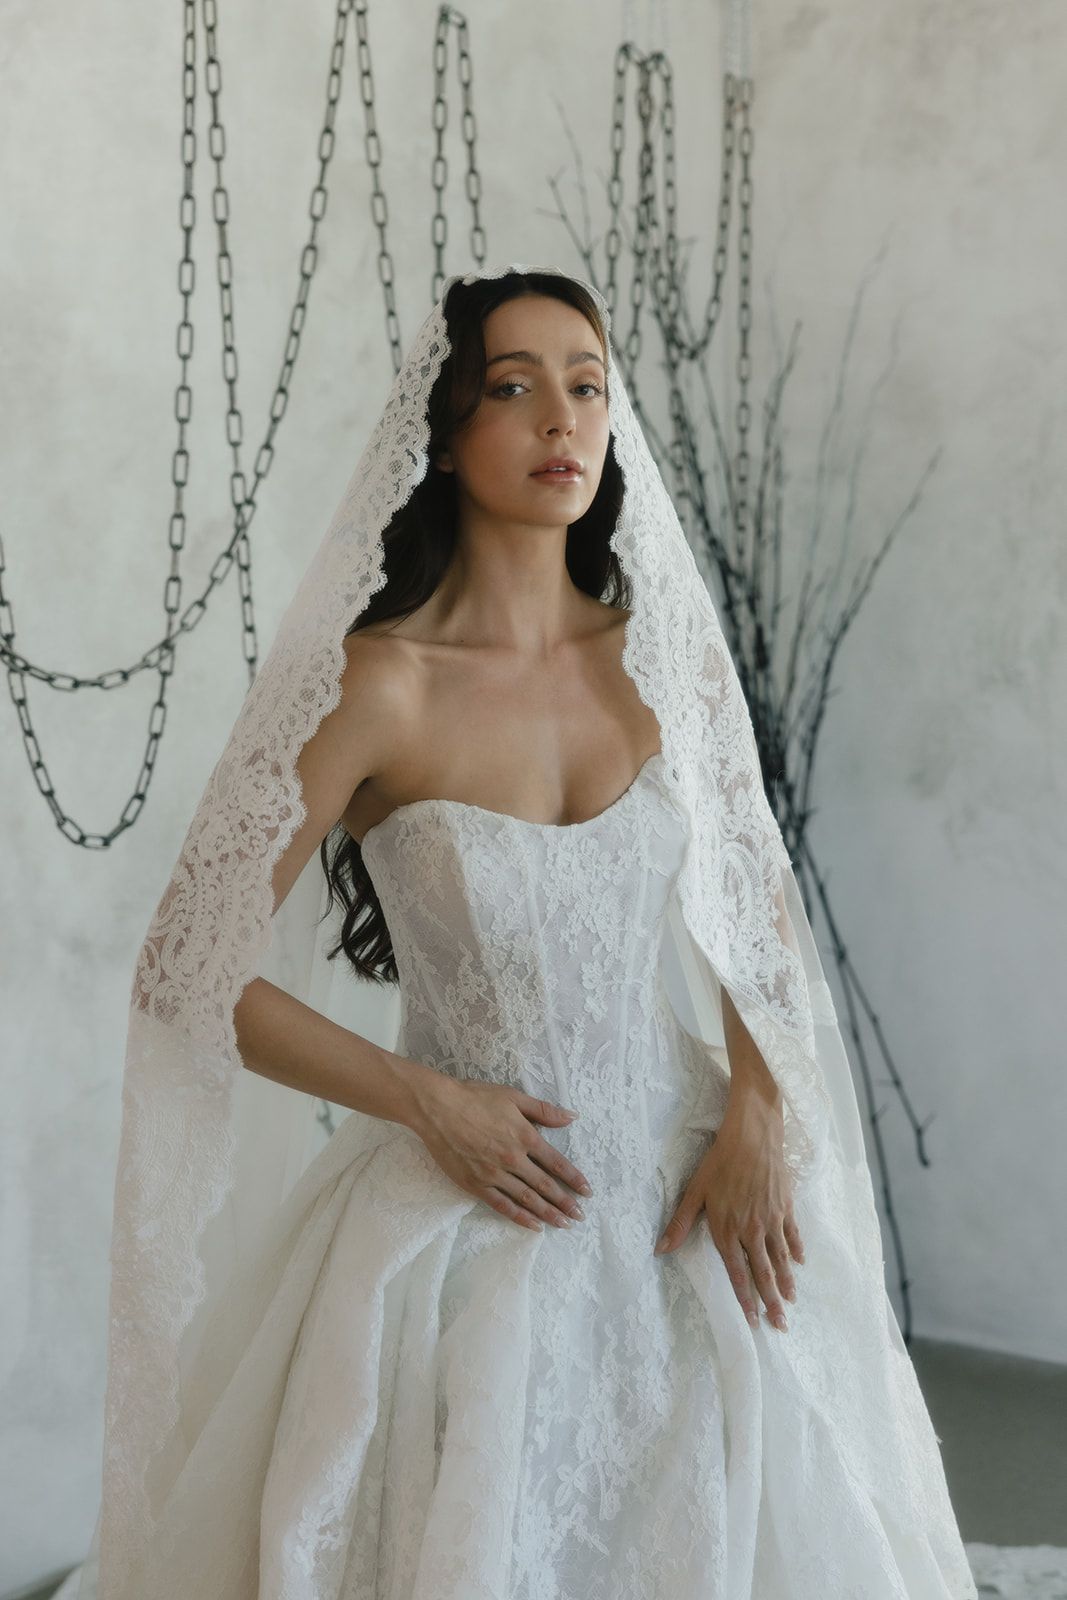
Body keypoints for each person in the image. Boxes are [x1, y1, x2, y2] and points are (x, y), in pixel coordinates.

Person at [66, 263, 978, 1598]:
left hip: (690, 1200)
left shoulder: (664, 656)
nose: (564, 418)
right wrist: (427, 1101)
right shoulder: (377, 685)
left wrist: (764, 1112)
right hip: (463, 1224)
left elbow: (756, 909)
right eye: (516, 386)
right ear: (445, 432)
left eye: (589, 386)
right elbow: (184, 973)